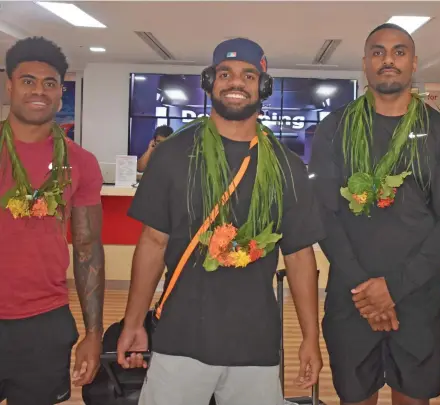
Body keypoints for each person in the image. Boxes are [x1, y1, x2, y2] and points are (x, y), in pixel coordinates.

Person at [116, 38, 324, 405]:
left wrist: (310, 337)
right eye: (225, 73)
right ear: (210, 81)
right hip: (179, 338)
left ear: (264, 86)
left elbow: (299, 256)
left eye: (248, 75)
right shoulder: (173, 154)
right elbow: (152, 242)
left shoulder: (286, 166)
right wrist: (133, 322)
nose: (236, 82)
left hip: (255, 344)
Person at [308, 23, 440, 405]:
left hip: (418, 297)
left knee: (413, 397)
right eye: (378, 52)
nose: (388, 60)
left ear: (414, 63)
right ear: (365, 63)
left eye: (399, 52)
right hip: (352, 296)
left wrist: (393, 289)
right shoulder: (335, 128)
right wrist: (368, 290)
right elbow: (324, 213)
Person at [0, 37, 105, 404]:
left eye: (49, 83)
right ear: (9, 84)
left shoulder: (78, 161)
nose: (38, 91)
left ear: (61, 91)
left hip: (43, 324)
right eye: (28, 80)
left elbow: (88, 247)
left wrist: (95, 333)